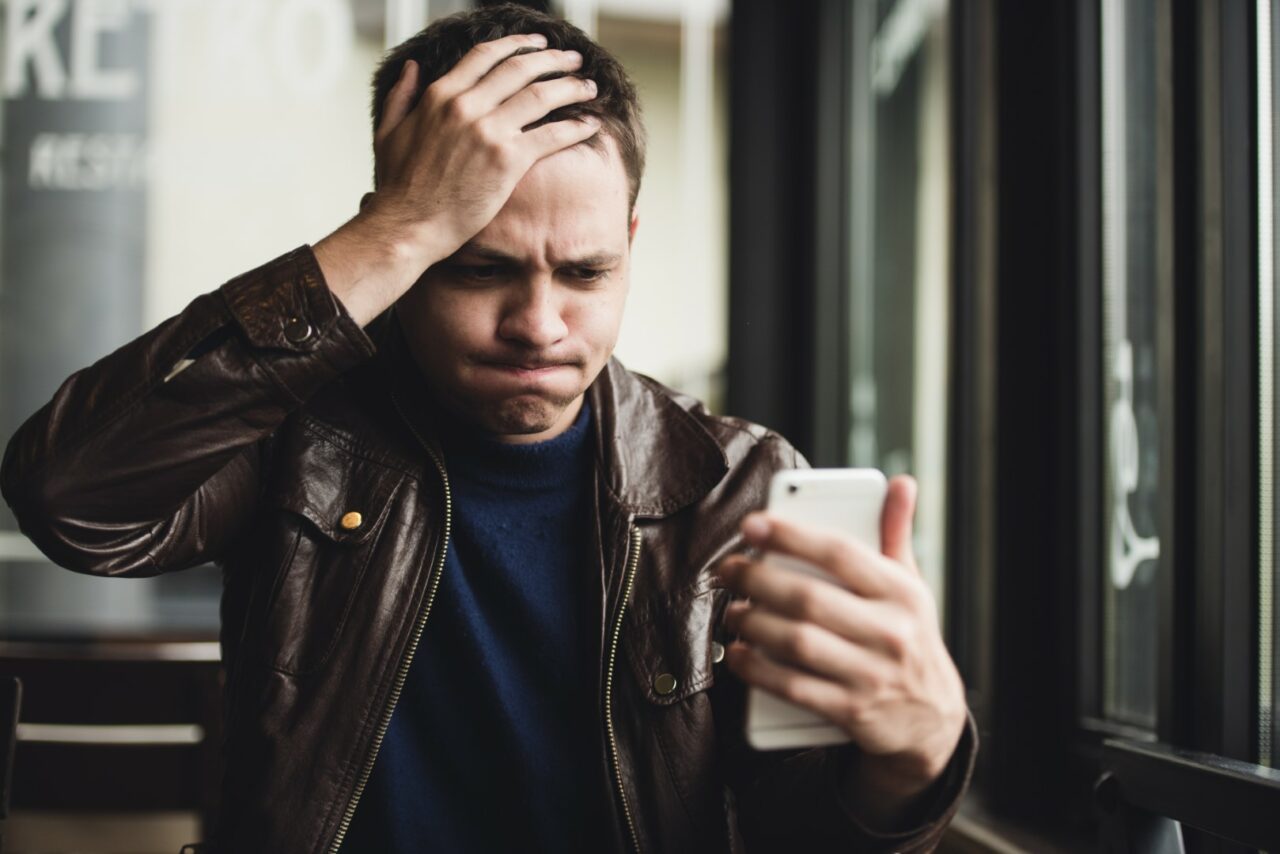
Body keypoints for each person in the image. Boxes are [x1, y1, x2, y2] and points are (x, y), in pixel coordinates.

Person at [1, 4, 975, 852]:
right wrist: (395, 228)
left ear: (628, 241)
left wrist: (913, 757)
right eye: (475, 266)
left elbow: (794, 837)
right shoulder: (298, 433)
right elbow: (70, 493)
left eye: (585, 273)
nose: (539, 325)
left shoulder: (736, 486)